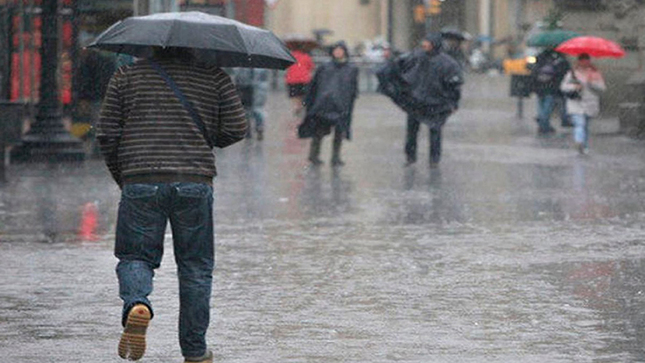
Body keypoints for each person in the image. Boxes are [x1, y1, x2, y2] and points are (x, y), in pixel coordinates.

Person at [96, 47, 247, 363]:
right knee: (195, 267)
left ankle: (138, 303)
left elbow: (107, 133)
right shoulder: (215, 76)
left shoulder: (126, 75)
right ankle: (194, 351)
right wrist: (203, 132)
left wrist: (124, 176)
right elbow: (237, 128)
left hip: (140, 178)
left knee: (136, 255)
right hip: (194, 180)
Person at [400, 33, 463, 167]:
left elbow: (454, 85)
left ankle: (434, 159)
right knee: (411, 131)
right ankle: (410, 157)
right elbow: (405, 73)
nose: (424, 45)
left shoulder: (446, 63)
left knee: (435, 132)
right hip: (416, 101)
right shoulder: (417, 58)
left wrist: (453, 103)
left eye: (427, 42)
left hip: (436, 103)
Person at [298, 41, 359, 166]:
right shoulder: (325, 67)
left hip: (341, 105)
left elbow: (352, 88)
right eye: (336, 50)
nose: (338, 52)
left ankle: (335, 157)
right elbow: (314, 85)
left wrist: (349, 101)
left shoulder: (351, 69)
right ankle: (314, 155)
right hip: (324, 104)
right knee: (319, 132)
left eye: (340, 50)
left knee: (339, 132)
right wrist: (311, 101)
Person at [560, 53, 606, 154]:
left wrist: (591, 83)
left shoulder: (595, 73)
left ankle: (584, 146)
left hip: (590, 103)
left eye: (587, 60)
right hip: (576, 102)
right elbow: (563, 87)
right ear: (579, 61)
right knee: (579, 123)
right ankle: (579, 141)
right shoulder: (572, 73)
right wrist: (574, 87)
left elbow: (602, 88)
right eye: (582, 60)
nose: (585, 63)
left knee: (585, 126)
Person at [531, 48, 571, 135]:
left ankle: (543, 124)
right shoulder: (559, 60)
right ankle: (544, 126)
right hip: (551, 88)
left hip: (539, 86)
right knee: (547, 108)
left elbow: (533, 71)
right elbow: (562, 74)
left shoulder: (540, 58)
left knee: (541, 106)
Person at [234, 67, 270, 140]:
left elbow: (238, 78)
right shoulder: (262, 66)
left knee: (248, 109)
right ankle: (258, 127)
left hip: (247, 88)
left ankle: (250, 128)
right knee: (256, 109)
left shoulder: (240, 65)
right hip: (256, 88)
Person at [285, 46, 315, 116]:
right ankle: (301, 105)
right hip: (304, 79)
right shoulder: (306, 56)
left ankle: (296, 106)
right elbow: (311, 67)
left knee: (294, 95)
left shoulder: (290, 56)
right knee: (302, 94)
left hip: (292, 78)